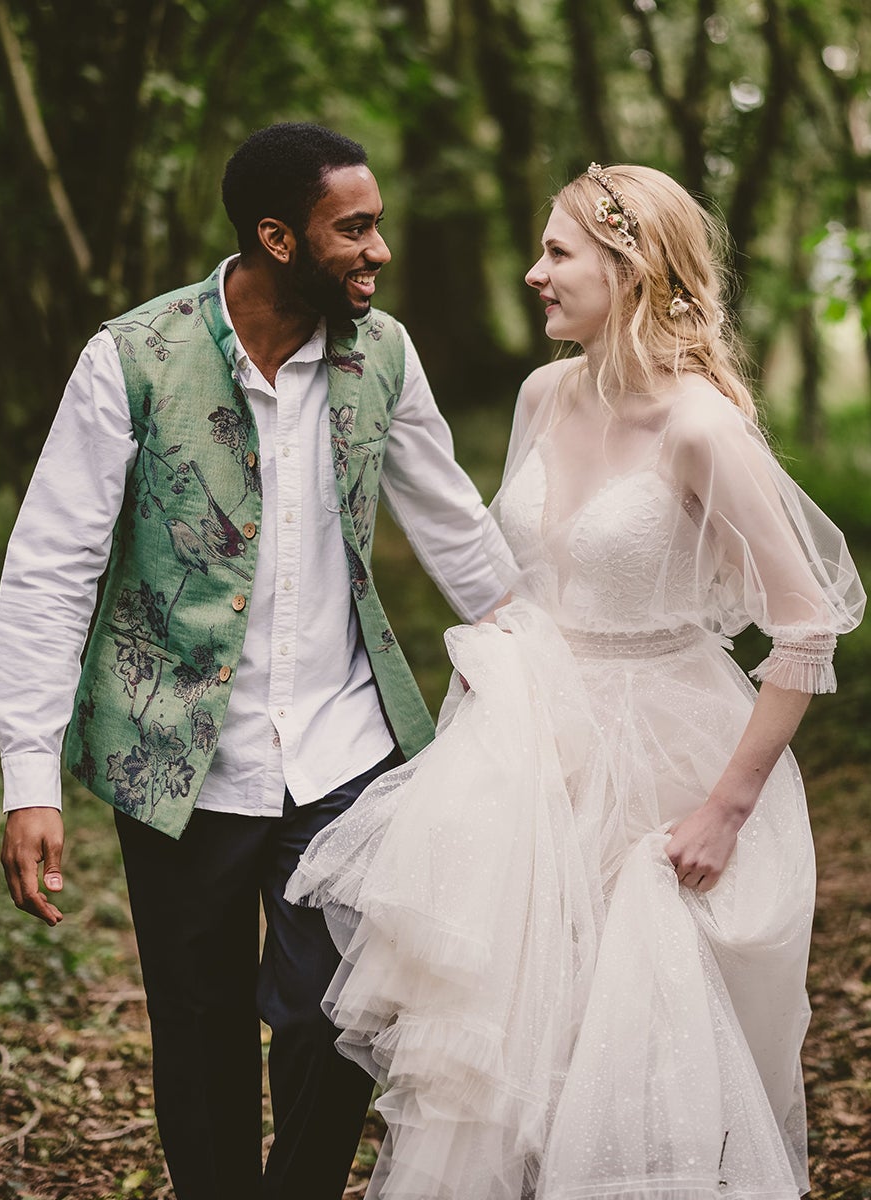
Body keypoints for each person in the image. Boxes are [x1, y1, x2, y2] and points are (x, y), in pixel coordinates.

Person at [286, 164, 864, 1198]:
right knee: (514, 1046)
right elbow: (524, 578)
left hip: (666, 767)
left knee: (634, 1049)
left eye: (558, 253)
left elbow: (807, 626)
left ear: (630, 269)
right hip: (528, 748)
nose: (533, 273)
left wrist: (725, 810)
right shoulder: (543, 393)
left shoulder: (700, 427)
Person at [0, 123, 509, 1200]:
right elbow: (52, 566)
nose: (376, 251)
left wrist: (559, 665)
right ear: (278, 238)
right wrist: (29, 776)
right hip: (178, 757)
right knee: (199, 1029)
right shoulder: (131, 356)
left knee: (339, 1020)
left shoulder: (386, 356)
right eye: (351, 230)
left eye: (376, 227)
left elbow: (458, 532)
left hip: (347, 755)